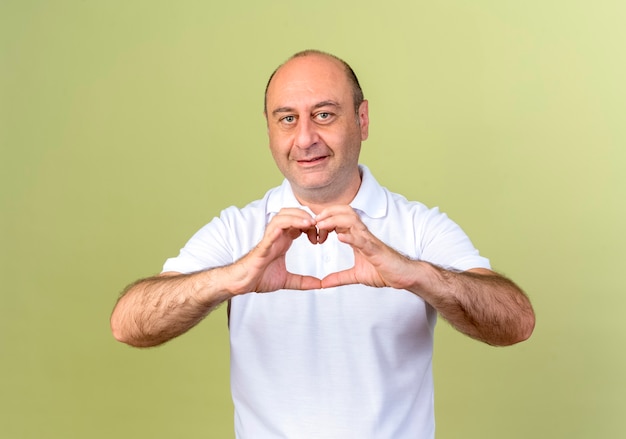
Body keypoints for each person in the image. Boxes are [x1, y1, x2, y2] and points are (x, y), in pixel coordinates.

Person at [111, 49, 535, 438]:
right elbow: (128, 324)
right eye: (288, 119)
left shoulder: (418, 227)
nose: (305, 138)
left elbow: (516, 321)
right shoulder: (239, 230)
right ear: (270, 130)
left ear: (362, 120)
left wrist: (416, 275)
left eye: (325, 115)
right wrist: (230, 279)